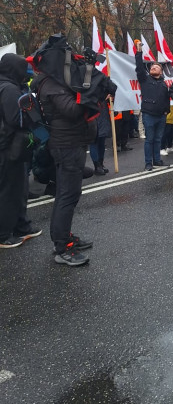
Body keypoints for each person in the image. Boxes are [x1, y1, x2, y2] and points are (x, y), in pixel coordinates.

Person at [33, 50, 111, 266]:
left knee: (69, 193)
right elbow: (73, 110)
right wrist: (93, 93)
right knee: (66, 195)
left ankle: (64, 237)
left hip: (72, 143)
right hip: (65, 145)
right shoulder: (50, 84)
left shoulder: (56, 82)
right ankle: (61, 246)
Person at [0, 54, 42, 248]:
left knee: (19, 188)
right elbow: (16, 119)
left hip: (10, 145)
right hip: (8, 147)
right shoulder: (8, 89)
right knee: (9, 190)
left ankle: (21, 226)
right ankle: (3, 234)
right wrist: (33, 114)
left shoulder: (8, 86)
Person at [135, 41, 170, 171]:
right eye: (151, 68)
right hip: (149, 115)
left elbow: (166, 98)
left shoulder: (163, 83)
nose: (153, 68)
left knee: (158, 139)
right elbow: (139, 67)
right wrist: (139, 52)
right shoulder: (144, 79)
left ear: (161, 71)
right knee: (149, 140)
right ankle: (148, 163)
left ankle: (157, 160)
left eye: (156, 67)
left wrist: (166, 111)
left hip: (161, 116)